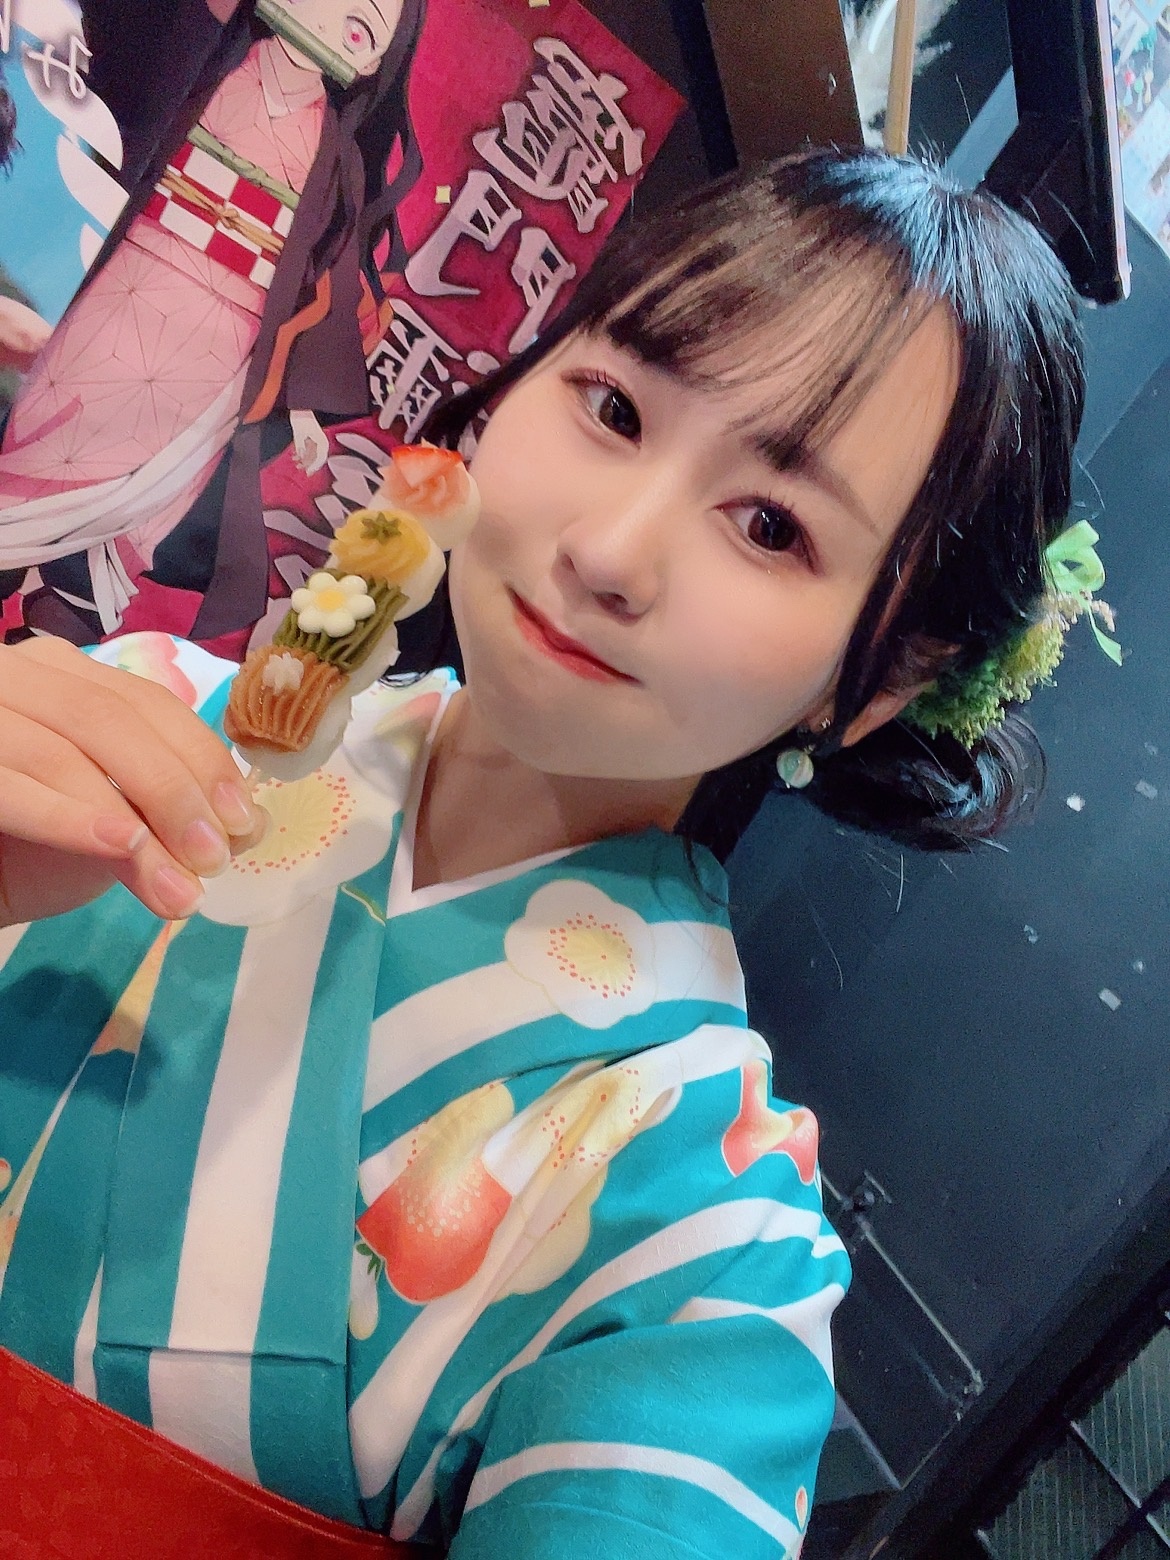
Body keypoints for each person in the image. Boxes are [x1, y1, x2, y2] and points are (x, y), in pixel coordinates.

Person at [0, 149, 1090, 1556]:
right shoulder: (130, 716)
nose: (609, 551)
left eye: (772, 526)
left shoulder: (705, 1252)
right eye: (614, 406)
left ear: (876, 684)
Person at [0, 0, 425, 646]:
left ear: (376, 61)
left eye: (359, 28)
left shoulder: (335, 156)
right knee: (44, 441)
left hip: (224, 341)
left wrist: (297, 405)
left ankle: (55, 633)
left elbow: (319, 289)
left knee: (133, 501)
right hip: (131, 281)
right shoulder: (209, 65)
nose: (326, 24)